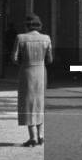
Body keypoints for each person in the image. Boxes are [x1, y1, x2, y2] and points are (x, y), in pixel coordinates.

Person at [13, 14, 53, 147]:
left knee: (28, 103)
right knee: (40, 103)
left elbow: (14, 58)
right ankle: (41, 135)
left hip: (27, 72)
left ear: (27, 25)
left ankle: (33, 137)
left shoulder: (20, 38)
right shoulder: (46, 39)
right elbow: (50, 59)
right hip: (41, 73)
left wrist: (22, 62)